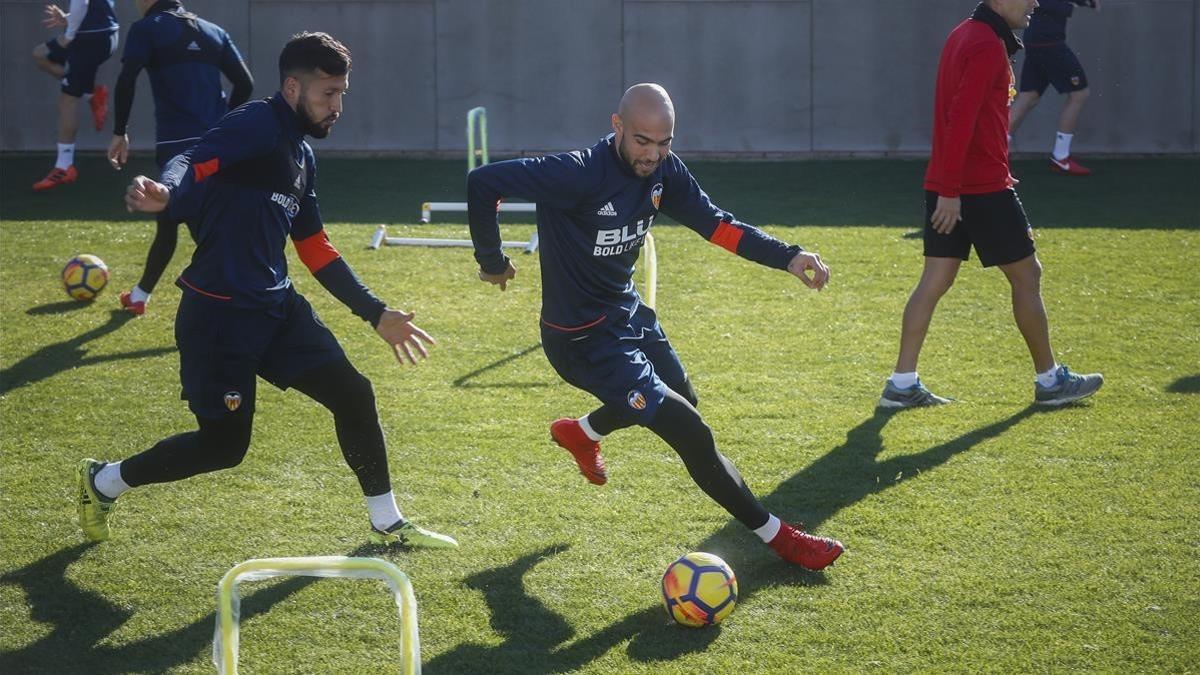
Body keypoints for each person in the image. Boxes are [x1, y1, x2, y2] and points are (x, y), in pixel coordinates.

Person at [76, 32, 457, 550]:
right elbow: (195, 158)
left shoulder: (303, 156)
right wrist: (167, 190)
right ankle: (104, 481)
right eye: (328, 94)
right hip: (217, 317)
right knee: (223, 448)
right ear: (293, 87)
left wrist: (376, 313)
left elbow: (316, 247)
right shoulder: (255, 122)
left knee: (352, 393)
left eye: (342, 93)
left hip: (276, 307)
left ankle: (387, 521)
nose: (337, 106)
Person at [467, 83, 844, 571]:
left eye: (665, 142)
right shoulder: (575, 173)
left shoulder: (664, 171)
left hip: (627, 313)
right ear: (617, 126)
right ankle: (782, 538)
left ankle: (581, 432)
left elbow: (717, 225)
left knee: (683, 394)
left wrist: (788, 256)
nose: (654, 154)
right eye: (643, 141)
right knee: (687, 428)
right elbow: (483, 182)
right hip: (580, 340)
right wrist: (492, 261)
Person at [878, 0, 1103, 409]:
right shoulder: (983, 43)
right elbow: (960, 118)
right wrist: (950, 191)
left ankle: (901, 384)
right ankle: (1050, 381)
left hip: (953, 184)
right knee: (1027, 274)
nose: (1036, 2)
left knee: (934, 281)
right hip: (978, 187)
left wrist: (945, 188)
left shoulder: (966, 32)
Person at [108, 0, 255, 316]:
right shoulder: (213, 31)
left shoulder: (146, 29)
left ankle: (240, 300)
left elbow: (127, 78)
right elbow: (245, 83)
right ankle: (140, 295)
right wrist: (224, 127)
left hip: (178, 148)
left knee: (196, 227)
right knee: (170, 218)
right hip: (216, 147)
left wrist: (120, 131)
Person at [31, 0, 119, 191]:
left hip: (89, 39)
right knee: (40, 55)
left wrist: (69, 34)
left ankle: (64, 167)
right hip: (101, 35)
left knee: (67, 100)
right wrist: (69, 19)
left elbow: (83, 2)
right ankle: (91, 95)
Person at [1008, 0, 1100, 175]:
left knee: (1029, 96)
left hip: (1038, 42)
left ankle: (995, 152)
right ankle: (1061, 157)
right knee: (1079, 93)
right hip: (1048, 43)